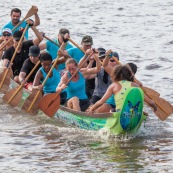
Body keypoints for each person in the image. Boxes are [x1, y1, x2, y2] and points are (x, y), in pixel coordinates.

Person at [88, 64, 157, 115]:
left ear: (115, 75)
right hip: (134, 114)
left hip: (120, 115)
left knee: (97, 110)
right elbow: (150, 102)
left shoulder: (114, 86)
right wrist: (155, 108)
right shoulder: (136, 86)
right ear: (130, 75)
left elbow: (101, 102)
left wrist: (92, 109)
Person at [2, 19, 43, 83]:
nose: (19, 43)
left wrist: (32, 26)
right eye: (16, 41)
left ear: (23, 39)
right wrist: (7, 67)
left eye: (20, 40)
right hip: (17, 75)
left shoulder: (26, 44)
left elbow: (40, 38)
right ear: (13, 40)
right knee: (16, 79)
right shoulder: (8, 52)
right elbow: (4, 66)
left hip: (29, 71)